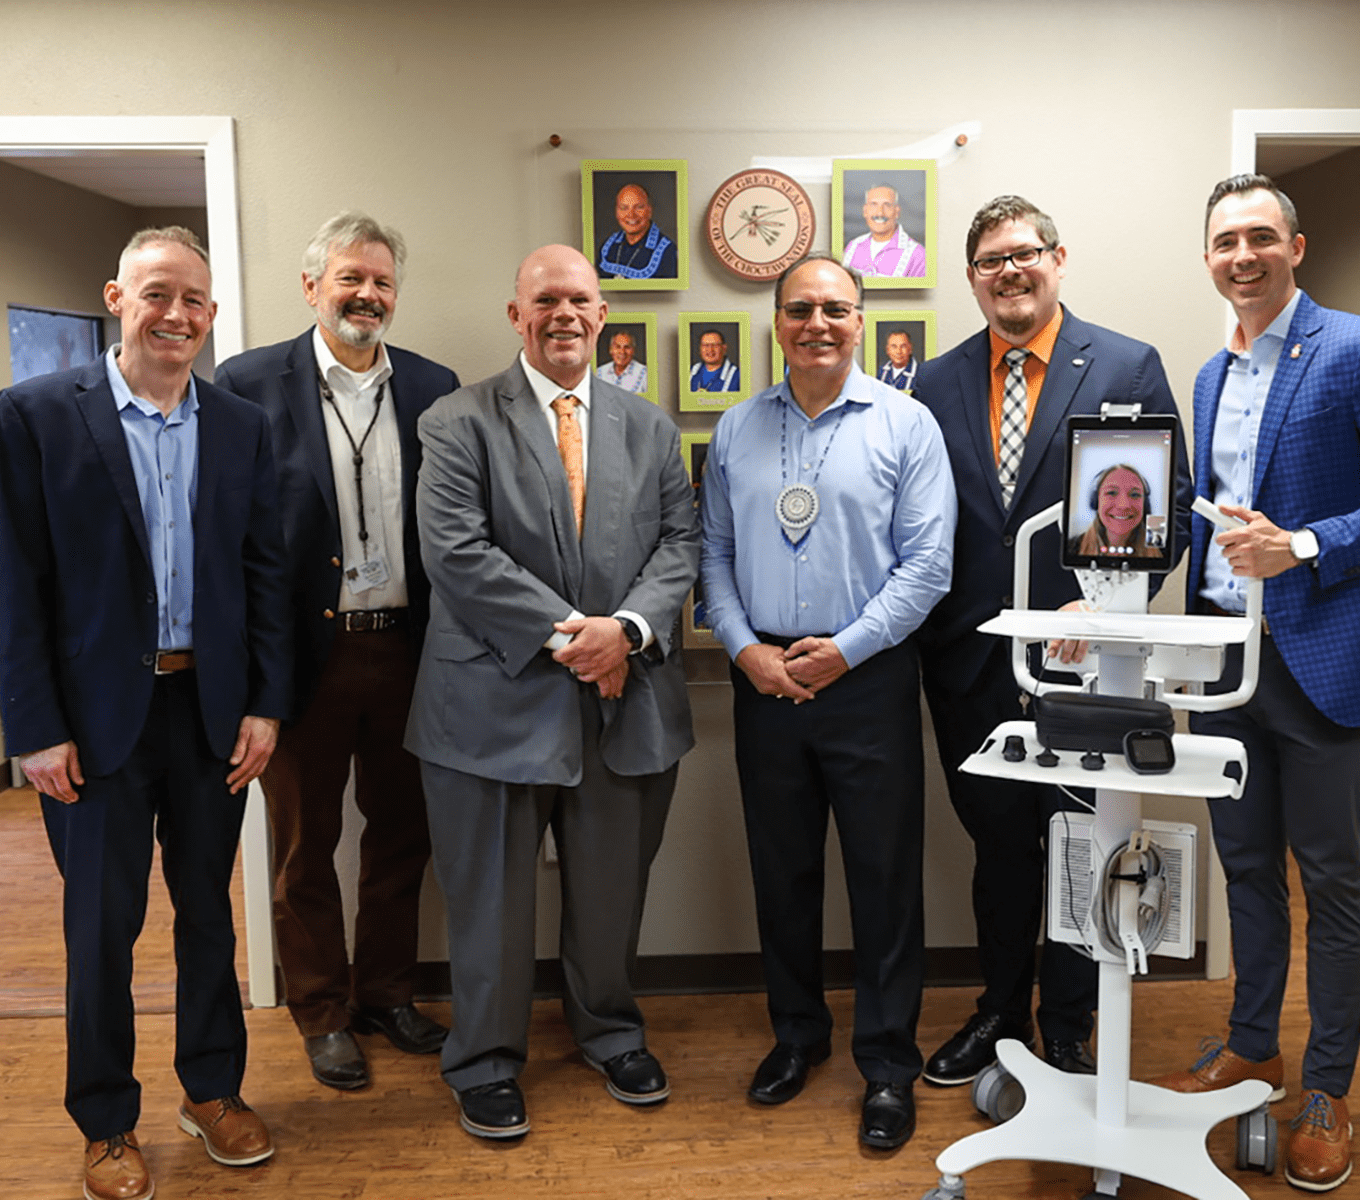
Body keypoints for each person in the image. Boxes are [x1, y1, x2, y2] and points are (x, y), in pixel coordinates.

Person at [1149, 174, 1360, 1193]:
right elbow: (1212, 518)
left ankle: (1326, 1088)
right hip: (1226, 664)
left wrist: (1310, 545)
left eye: (1258, 237)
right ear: (1207, 259)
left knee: (1330, 880)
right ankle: (1254, 1045)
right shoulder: (1209, 375)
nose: (1241, 256)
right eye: (1223, 242)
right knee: (1243, 869)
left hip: (1325, 658)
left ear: (1295, 245)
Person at [0, 227, 292, 1200]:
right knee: (101, 930)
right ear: (117, 297)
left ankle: (212, 1091)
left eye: (195, 300)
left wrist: (266, 707)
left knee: (209, 918)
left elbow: (265, 577)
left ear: (211, 314)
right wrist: (33, 727)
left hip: (208, 715)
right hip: (92, 727)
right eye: (158, 294)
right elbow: (16, 583)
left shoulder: (241, 426)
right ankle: (107, 1123)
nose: (177, 315)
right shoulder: (34, 415)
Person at [405, 244, 698, 1141]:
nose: (563, 315)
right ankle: (485, 1059)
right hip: (490, 704)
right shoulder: (456, 421)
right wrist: (582, 639)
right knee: (487, 901)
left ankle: (610, 1031)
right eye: (545, 301)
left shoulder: (650, 427)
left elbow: (681, 542)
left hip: (624, 698)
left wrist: (631, 633)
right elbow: (456, 554)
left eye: (579, 299)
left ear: (603, 314)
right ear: (516, 315)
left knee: (612, 892)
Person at [911, 195, 1190, 1088]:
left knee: (1082, 840)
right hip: (968, 658)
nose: (1010, 272)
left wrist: (1101, 604)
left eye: (1024, 254)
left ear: (1058, 260)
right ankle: (1000, 1010)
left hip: (1085, 663)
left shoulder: (1125, 363)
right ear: (972, 279)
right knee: (997, 847)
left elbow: (1168, 512)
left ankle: (1067, 1024)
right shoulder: (938, 381)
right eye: (991, 261)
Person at [700, 254, 955, 1151]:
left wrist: (843, 654)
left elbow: (929, 566)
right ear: (777, 321)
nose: (818, 324)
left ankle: (887, 1065)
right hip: (764, 681)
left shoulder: (906, 424)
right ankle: (797, 1037)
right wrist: (747, 653)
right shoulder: (735, 428)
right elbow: (715, 558)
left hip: (870, 679)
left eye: (836, 310)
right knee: (783, 871)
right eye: (800, 309)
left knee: (885, 879)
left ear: (861, 321)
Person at [213, 212, 459, 1092]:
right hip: (299, 661)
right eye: (350, 279)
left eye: (383, 282)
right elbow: (229, 537)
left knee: (402, 838)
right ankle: (320, 1012)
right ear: (312, 287)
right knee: (302, 849)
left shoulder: (434, 386)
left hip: (409, 651)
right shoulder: (245, 384)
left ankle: (388, 995)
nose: (368, 296)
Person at [1073, 463, 1162, 558]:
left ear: (1145, 504)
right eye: (1111, 493)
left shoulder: (1160, 545)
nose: (1123, 505)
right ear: (1096, 501)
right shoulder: (1073, 547)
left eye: (1135, 495)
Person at [842, 183, 927, 279]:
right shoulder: (853, 246)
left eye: (887, 205)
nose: (880, 213)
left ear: (897, 212)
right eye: (873, 204)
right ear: (865, 211)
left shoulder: (918, 256)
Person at [597, 183, 678, 280]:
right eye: (624, 208)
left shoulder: (668, 252)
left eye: (639, 207)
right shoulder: (608, 246)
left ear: (649, 211)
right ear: (616, 212)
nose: (631, 215)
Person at [596, 329, 648, 394]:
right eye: (618, 347)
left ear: (633, 351)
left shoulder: (645, 374)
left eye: (627, 347)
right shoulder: (599, 373)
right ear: (611, 350)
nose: (622, 352)